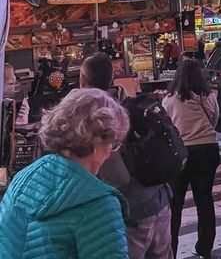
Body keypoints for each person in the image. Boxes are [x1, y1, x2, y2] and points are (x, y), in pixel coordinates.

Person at [0, 88, 130, 258]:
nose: (109, 153)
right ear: (98, 141)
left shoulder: (24, 177)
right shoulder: (98, 203)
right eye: (112, 144)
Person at [80, 53, 173, 259]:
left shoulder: (98, 119)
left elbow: (116, 178)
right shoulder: (134, 104)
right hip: (160, 201)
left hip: (132, 213)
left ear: (83, 80)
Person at [163, 58, 220, 259]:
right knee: (204, 199)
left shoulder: (169, 99)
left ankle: (172, 248)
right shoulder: (208, 96)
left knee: (175, 203)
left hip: (181, 153)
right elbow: (214, 119)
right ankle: (205, 247)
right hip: (207, 149)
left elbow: (166, 127)